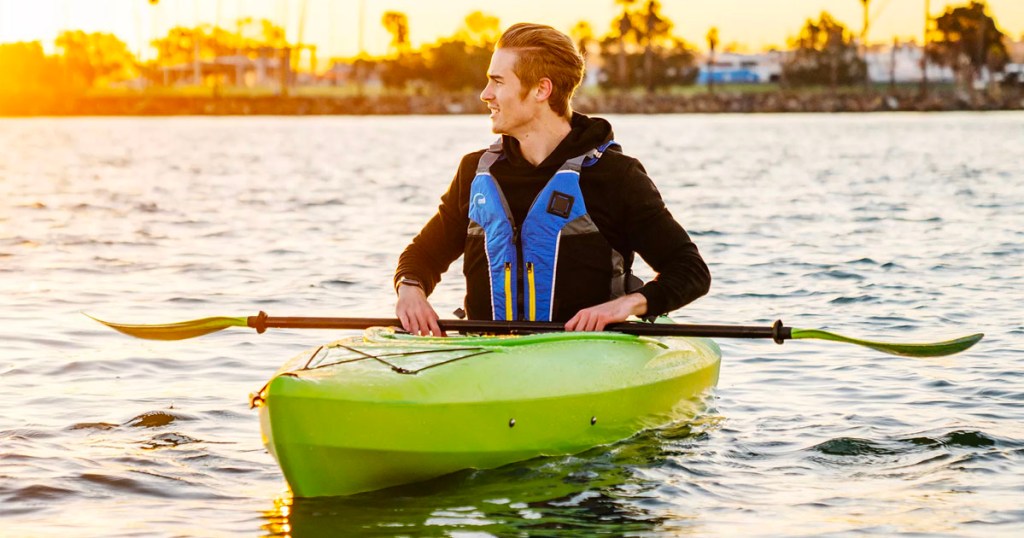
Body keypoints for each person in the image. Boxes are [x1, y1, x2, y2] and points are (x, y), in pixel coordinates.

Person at [394, 22, 710, 336]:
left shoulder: (614, 176)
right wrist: (411, 289)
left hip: (585, 361)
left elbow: (689, 271)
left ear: (541, 90)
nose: (485, 94)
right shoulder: (475, 171)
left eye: (498, 82)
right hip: (487, 360)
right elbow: (423, 255)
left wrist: (625, 306)